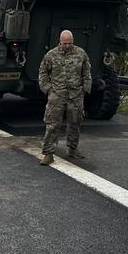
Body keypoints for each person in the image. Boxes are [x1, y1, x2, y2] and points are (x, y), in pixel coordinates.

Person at [37, 29, 92, 165]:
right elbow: (42, 72)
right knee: (52, 125)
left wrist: (85, 90)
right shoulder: (51, 55)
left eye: (69, 43)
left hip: (75, 95)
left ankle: (72, 148)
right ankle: (48, 154)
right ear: (59, 42)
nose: (67, 46)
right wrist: (48, 89)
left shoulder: (81, 54)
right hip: (57, 94)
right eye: (64, 43)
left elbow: (87, 73)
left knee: (75, 122)